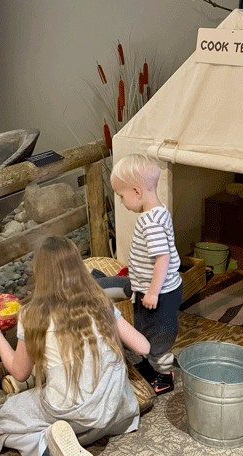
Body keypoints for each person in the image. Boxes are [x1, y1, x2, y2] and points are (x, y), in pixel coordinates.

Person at [0, 236, 150, 456]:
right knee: (93, 414)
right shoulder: (100, 300)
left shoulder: (32, 314)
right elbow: (143, 347)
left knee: (0, 421)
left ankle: (45, 446)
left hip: (69, 408)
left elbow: (19, 372)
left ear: (40, 273)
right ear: (78, 266)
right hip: (112, 407)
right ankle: (81, 436)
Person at [110, 153, 182, 395]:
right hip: (154, 288)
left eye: (122, 196)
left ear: (137, 191)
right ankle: (150, 363)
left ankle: (163, 375)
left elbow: (162, 258)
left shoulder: (150, 222)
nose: (122, 202)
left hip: (158, 293)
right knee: (146, 328)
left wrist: (152, 292)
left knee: (158, 335)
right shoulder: (159, 212)